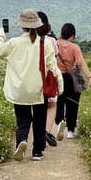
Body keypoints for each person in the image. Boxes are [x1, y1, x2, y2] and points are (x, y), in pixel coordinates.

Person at [0, 9, 63, 161]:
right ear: (38, 25)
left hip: (19, 90)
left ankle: (22, 141)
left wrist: (1, 32)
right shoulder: (44, 43)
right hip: (38, 89)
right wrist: (60, 84)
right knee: (39, 119)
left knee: (23, 119)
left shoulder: (14, 43)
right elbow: (52, 66)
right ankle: (37, 151)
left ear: (22, 26)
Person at [55, 22, 91, 139]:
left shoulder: (54, 44)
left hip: (57, 77)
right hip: (72, 78)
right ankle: (70, 130)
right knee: (72, 104)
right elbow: (81, 63)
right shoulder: (74, 47)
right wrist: (90, 76)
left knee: (58, 102)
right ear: (72, 35)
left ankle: (59, 122)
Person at [36, 11, 59, 147]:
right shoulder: (51, 41)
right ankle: (46, 131)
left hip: (32, 80)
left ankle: (35, 136)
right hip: (48, 80)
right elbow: (54, 61)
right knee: (51, 105)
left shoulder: (27, 41)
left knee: (35, 108)